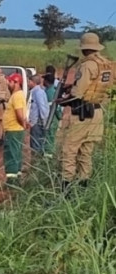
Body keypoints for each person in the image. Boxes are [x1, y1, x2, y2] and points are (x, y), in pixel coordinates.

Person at [58, 32, 114, 192]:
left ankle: (66, 190)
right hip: (97, 113)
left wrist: (62, 100)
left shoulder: (87, 65)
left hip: (82, 113)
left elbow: (78, 93)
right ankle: (83, 188)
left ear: (84, 48)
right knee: (86, 153)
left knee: (69, 150)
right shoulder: (106, 65)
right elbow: (98, 87)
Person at [2, 72, 27, 184]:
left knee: (11, 154)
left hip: (13, 130)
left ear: (16, 82)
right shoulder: (17, 95)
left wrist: (23, 124)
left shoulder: (17, 96)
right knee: (16, 154)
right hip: (15, 129)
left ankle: (11, 182)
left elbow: (19, 114)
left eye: (10, 81)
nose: (8, 83)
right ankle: (16, 179)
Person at [27, 75, 50, 157]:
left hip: (37, 122)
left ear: (33, 82)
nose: (28, 83)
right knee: (37, 143)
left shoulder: (38, 93)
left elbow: (42, 108)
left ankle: (36, 161)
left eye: (29, 81)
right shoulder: (37, 91)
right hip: (37, 122)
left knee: (35, 144)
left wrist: (43, 122)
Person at [43, 72, 62, 157]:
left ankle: (48, 156)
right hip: (51, 118)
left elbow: (56, 107)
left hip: (51, 119)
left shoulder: (51, 92)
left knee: (50, 138)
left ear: (46, 81)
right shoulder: (49, 90)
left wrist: (59, 116)